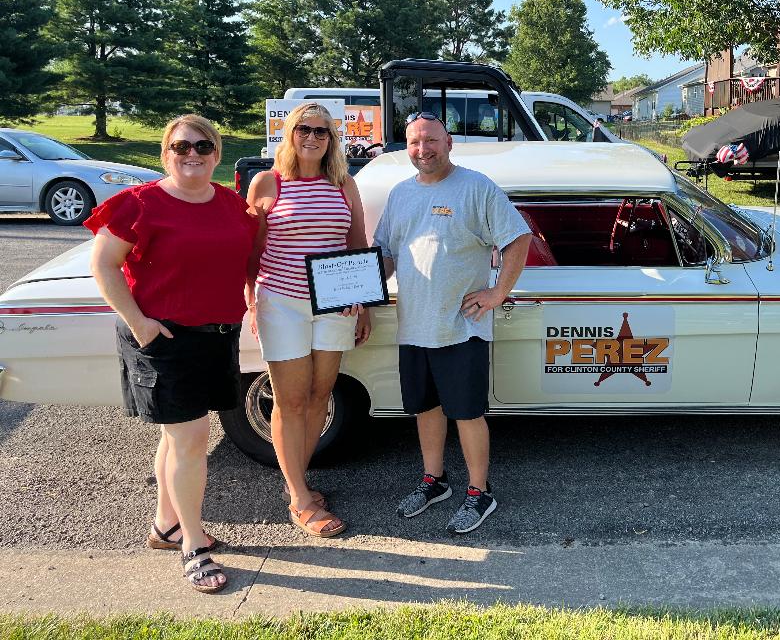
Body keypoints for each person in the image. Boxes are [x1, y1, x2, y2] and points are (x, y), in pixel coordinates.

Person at [86, 114, 258, 594]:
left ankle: (166, 527)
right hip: (163, 336)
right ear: (166, 152)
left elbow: (245, 259)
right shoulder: (138, 204)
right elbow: (103, 263)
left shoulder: (230, 204)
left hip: (216, 335)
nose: (193, 155)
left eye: (204, 147)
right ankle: (193, 546)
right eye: (182, 146)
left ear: (217, 154)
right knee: (191, 439)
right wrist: (138, 322)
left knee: (175, 438)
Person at [373, 111, 532, 533]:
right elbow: (385, 251)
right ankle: (435, 481)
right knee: (425, 409)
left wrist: (498, 292)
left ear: (448, 142)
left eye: (430, 140)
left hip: (461, 326)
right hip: (415, 325)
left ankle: (480, 492)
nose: (422, 149)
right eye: (413, 142)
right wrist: (355, 290)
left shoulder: (475, 187)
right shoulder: (401, 193)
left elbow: (518, 238)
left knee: (466, 413)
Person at [247, 102, 371, 539]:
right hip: (282, 301)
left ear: (331, 140)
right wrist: (250, 299)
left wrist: (363, 302)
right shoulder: (268, 182)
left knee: (321, 394)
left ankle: (297, 482)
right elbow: (253, 250)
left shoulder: (344, 184)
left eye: (322, 132)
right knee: (291, 399)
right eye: (305, 129)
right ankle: (300, 498)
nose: (313, 137)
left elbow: (356, 243)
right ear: (290, 133)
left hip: (335, 302)